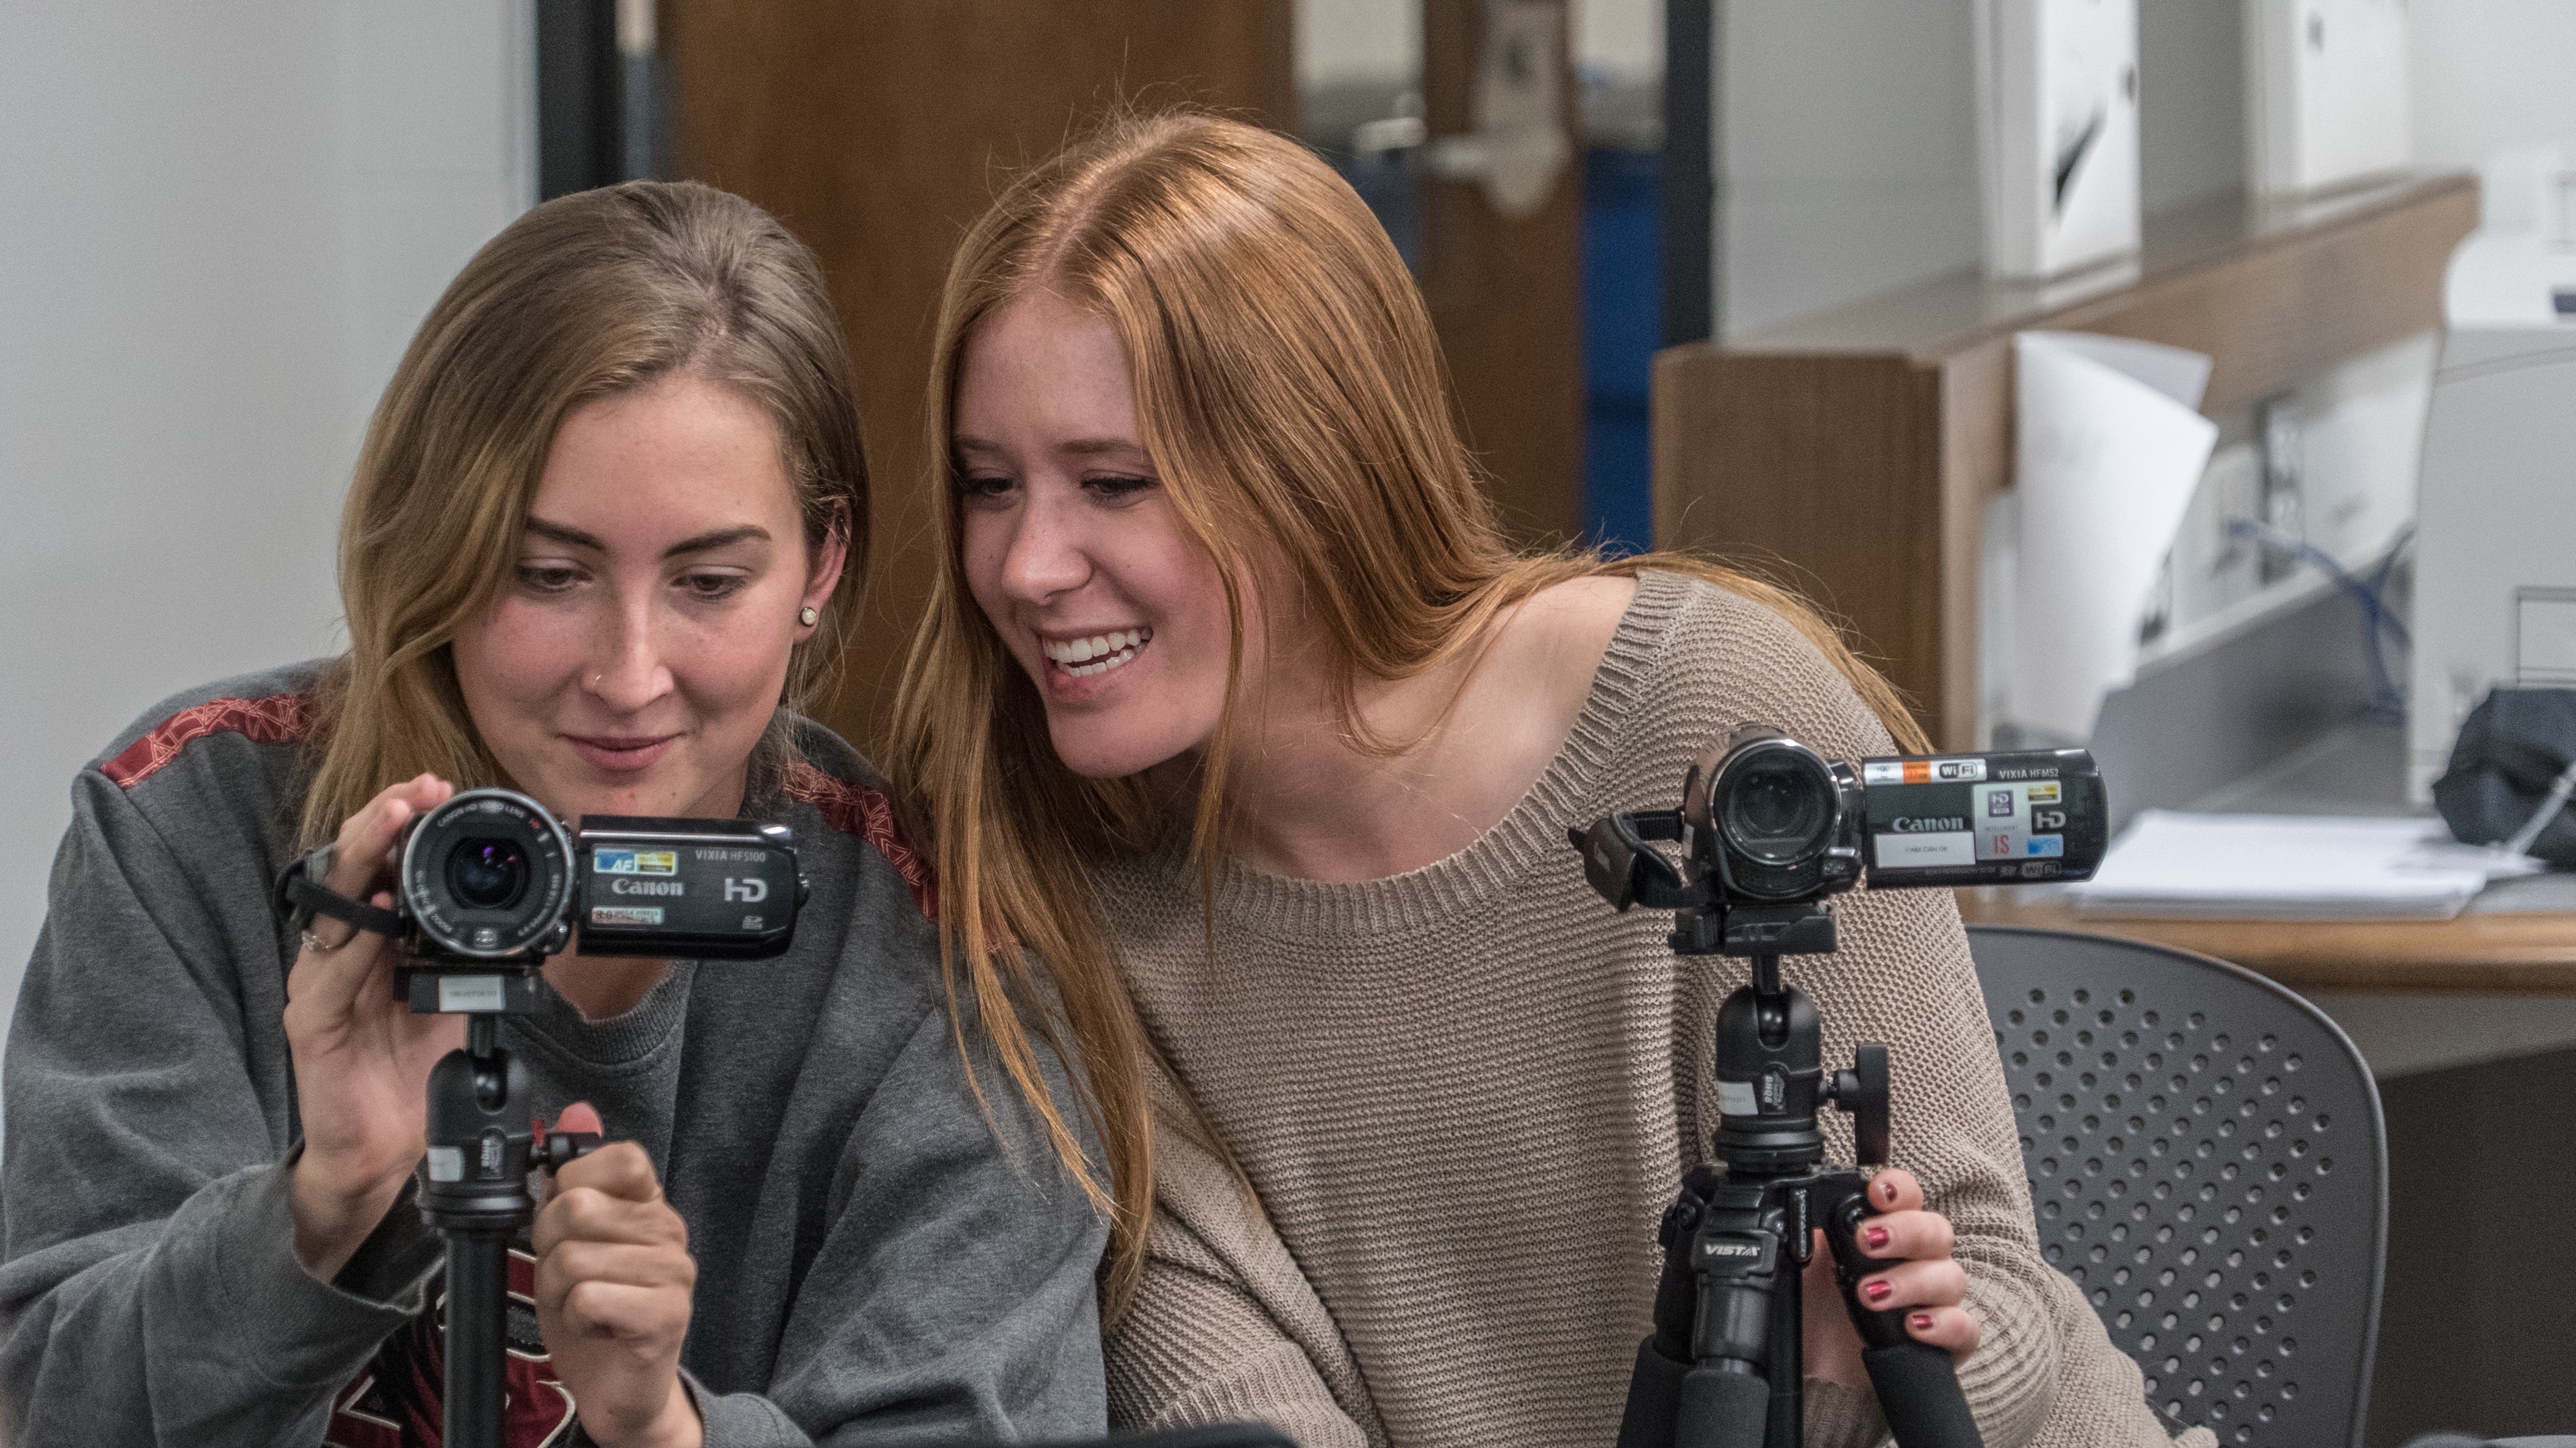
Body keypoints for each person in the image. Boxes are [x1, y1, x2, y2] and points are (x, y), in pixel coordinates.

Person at [886, 112, 2216, 1448]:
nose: (1027, 565)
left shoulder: (1714, 717)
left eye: (1115, 484)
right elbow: (1242, 1409)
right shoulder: (1036, 886)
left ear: (1317, 471)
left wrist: (1853, 1372)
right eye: (988, 486)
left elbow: (2000, 1314)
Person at [0, 181, 1112, 1447]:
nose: (630, 677)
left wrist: (666, 1430)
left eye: (709, 581)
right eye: (548, 575)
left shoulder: (942, 953)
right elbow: (50, 1406)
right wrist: (323, 1205)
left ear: (823, 563)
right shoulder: (191, 824)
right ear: (436, 543)